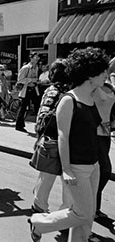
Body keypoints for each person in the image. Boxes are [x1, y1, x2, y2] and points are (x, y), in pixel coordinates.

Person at [29, 47, 108, 242]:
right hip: (77, 166)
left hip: (93, 164)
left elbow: (106, 100)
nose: (107, 74)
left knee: (87, 215)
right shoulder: (68, 100)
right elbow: (63, 136)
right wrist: (66, 170)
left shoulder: (93, 95)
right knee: (82, 213)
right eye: (103, 71)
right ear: (90, 74)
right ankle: (39, 222)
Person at [31, 59, 70, 214]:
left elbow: (41, 114)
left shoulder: (49, 89)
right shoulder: (67, 92)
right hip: (60, 137)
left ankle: (39, 207)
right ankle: (65, 213)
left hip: (46, 138)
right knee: (67, 179)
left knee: (46, 176)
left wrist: (38, 136)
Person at [92, 81, 115, 219]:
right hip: (93, 134)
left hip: (105, 134)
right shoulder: (90, 86)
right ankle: (90, 203)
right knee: (105, 170)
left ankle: (95, 207)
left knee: (101, 171)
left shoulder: (109, 87)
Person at [15, 52, 41, 132]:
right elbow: (20, 79)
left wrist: (37, 81)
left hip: (34, 89)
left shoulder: (36, 68)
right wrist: (31, 80)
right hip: (26, 90)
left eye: (38, 58)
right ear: (31, 58)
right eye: (35, 57)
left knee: (37, 107)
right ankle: (19, 125)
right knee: (23, 108)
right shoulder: (26, 68)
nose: (37, 59)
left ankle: (39, 125)